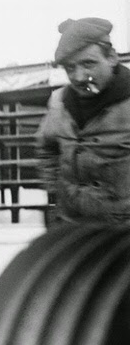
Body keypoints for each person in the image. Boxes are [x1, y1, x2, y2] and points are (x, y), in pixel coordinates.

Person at [36, 17, 130, 225]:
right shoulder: (58, 102)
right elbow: (47, 148)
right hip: (72, 225)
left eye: (89, 64)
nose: (79, 76)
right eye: (70, 68)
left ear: (112, 57)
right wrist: (57, 192)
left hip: (121, 234)